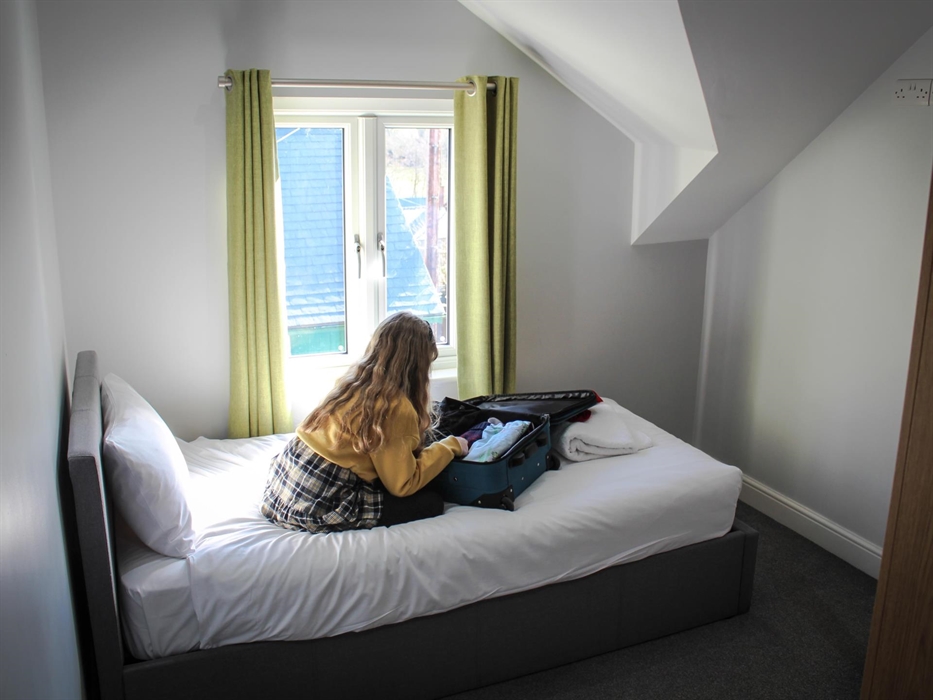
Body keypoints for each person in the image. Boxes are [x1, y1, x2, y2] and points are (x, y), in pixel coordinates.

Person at [261, 312, 468, 534]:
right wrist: (450, 446)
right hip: (318, 499)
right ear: (417, 364)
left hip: (286, 483)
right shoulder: (396, 407)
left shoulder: (353, 383)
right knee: (431, 502)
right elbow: (402, 485)